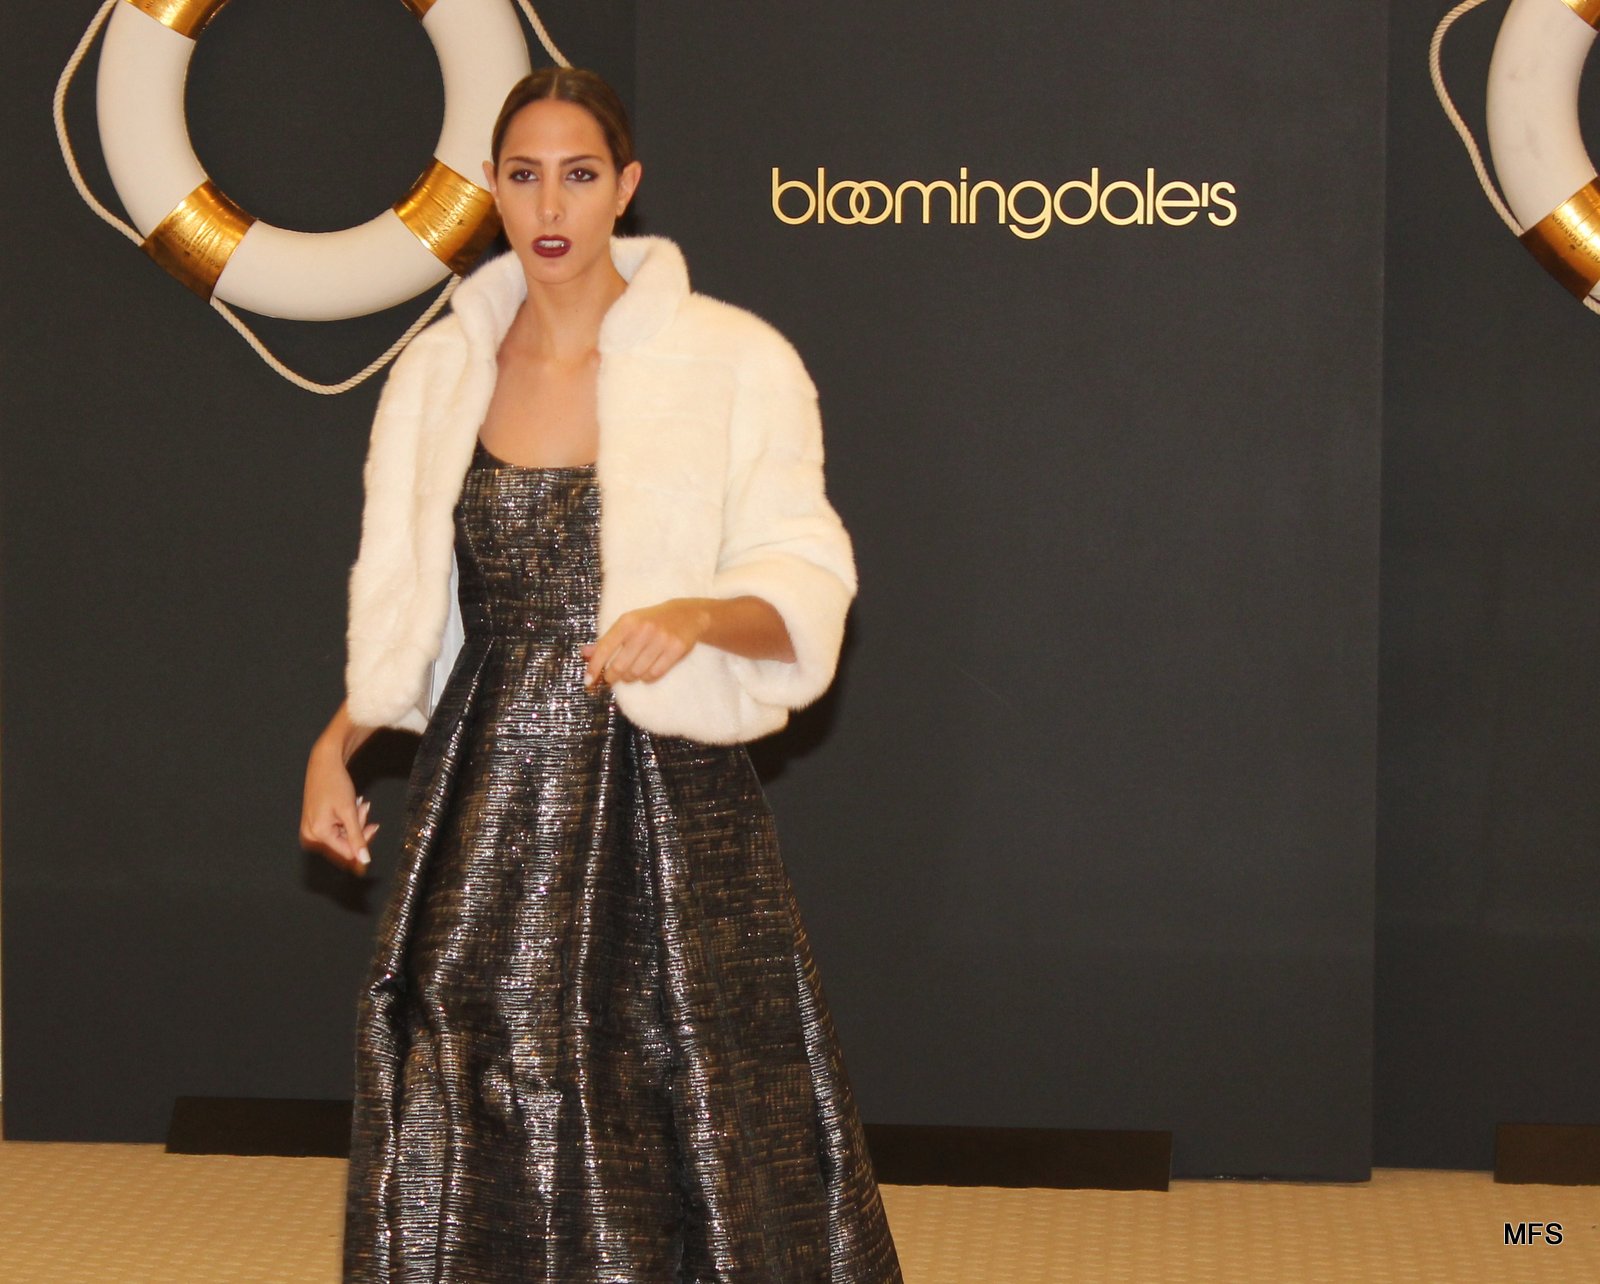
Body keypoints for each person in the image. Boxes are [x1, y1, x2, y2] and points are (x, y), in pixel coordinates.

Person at [299, 66, 904, 1283]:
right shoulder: (436, 377)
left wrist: (692, 614)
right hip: (485, 797)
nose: (549, 204)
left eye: (578, 174)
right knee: (460, 1071)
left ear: (625, 187)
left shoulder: (731, 359)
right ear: (490, 189)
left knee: (674, 1082)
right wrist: (334, 746)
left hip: (660, 793)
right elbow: (419, 620)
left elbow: (805, 585)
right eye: (523, 175)